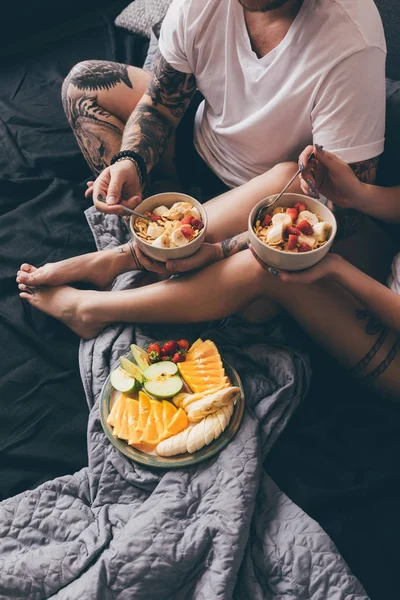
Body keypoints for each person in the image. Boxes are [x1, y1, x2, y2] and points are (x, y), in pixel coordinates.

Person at [16, 146, 400, 399]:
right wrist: (358, 195)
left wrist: (335, 269)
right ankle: (121, 258)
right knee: (290, 179)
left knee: (264, 266)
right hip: (385, 263)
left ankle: (91, 310)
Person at [62, 0, 385, 241]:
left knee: (264, 284)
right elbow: (160, 106)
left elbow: (344, 210)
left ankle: (166, 254)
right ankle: (155, 227)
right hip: (199, 145)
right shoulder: (199, 5)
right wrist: (130, 160)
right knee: (84, 85)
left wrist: (238, 242)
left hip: (267, 197)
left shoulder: (351, 40)